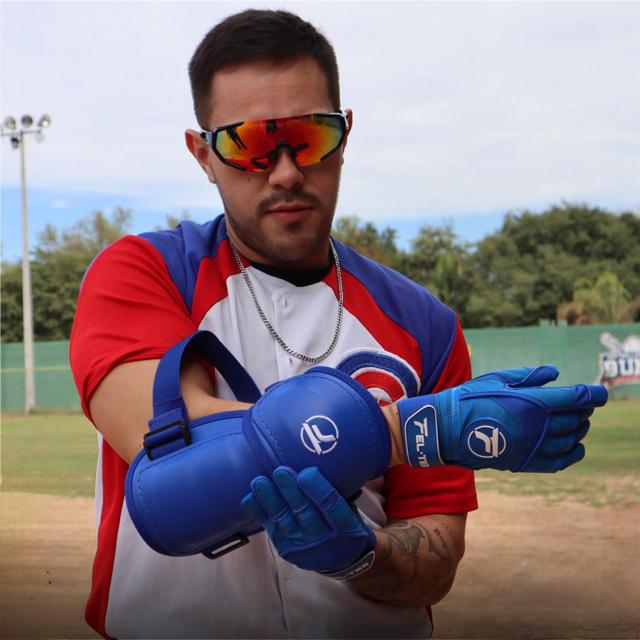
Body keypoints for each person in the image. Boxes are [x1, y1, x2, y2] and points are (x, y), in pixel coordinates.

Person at [69, 9, 602, 639]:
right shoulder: (144, 272)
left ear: (345, 135)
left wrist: (362, 556)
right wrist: (415, 431)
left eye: (310, 137)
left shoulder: (424, 324)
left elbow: (435, 561)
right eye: (248, 144)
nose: (288, 170)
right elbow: (176, 473)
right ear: (203, 154)